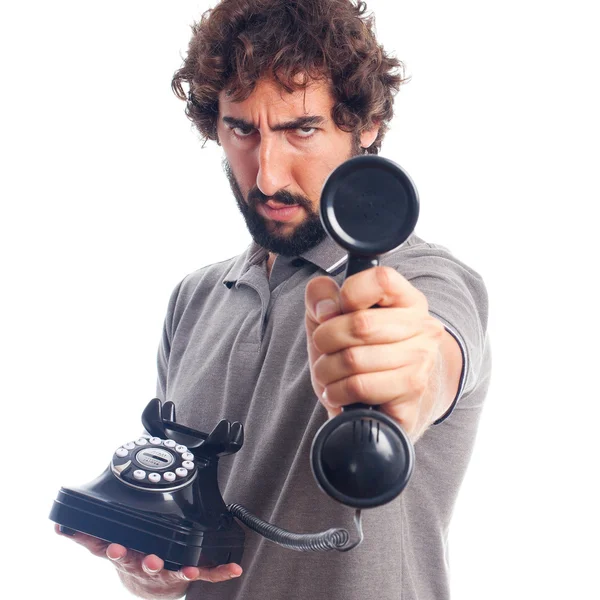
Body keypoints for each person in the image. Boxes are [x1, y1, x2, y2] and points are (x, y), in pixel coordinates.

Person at [56, 1, 492, 598]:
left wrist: (407, 377)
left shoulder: (425, 280)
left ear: (363, 127)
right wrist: (149, 568)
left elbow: (431, 362)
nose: (266, 176)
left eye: (302, 129)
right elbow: (180, 542)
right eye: (243, 129)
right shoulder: (195, 297)